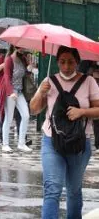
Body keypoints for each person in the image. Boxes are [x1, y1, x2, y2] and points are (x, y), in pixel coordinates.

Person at [30, 46, 99, 219]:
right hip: (52, 142)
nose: (66, 66)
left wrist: (82, 112)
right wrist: (41, 93)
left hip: (79, 144)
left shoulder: (89, 81)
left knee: (74, 191)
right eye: (62, 62)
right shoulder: (49, 81)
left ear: (77, 62)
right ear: (57, 62)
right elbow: (34, 110)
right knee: (52, 188)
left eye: (70, 62)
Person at [1, 45, 32, 153]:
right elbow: (6, 77)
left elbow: (25, 74)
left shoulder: (23, 59)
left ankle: (21, 143)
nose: (22, 49)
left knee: (26, 115)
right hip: (11, 92)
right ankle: (5, 144)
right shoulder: (9, 60)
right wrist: (10, 92)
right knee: (9, 118)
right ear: (14, 47)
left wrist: (29, 68)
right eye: (20, 47)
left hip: (19, 91)